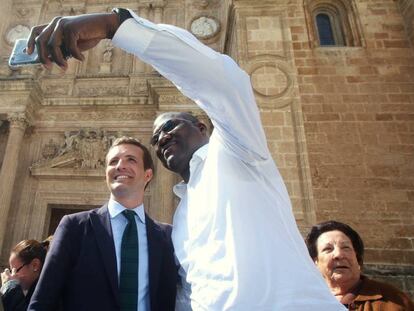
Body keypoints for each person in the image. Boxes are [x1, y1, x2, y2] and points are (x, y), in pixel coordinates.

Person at [26, 9, 345, 310]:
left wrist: (115, 25)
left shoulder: (238, 154)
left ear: (202, 126)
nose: (161, 138)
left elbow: (225, 84)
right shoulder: (179, 223)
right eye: (155, 139)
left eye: (169, 126)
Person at [28, 137, 177, 311]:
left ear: (148, 174)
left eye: (131, 159)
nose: (120, 165)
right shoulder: (74, 227)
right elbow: (43, 301)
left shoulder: (166, 236)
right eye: (113, 161)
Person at [306, 220, 414, 310]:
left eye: (346, 248)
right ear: (315, 262)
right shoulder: (304, 302)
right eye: (328, 249)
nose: (339, 254)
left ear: (357, 258)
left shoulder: (392, 300)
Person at [0, 239, 47, 311]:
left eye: (15, 270)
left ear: (35, 265)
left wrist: (10, 287)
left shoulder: (47, 293)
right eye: (11, 271)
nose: (13, 275)